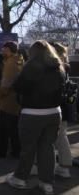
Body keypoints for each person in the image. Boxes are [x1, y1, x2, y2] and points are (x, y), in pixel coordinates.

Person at [6, 40, 65, 195]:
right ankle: (47, 183)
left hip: (32, 113)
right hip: (54, 113)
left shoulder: (31, 67)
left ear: (33, 52)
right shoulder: (59, 67)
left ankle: (20, 178)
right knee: (48, 148)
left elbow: (17, 86)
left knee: (28, 148)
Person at [0, 41, 24, 158]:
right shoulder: (19, 61)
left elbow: (6, 84)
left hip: (8, 102)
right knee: (9, 127)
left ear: (9, 50)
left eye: (3, 49)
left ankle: (6, 151)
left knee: (6, 129)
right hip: (16, 102)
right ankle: (9, 150)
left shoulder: (10, 64)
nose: (1, 51)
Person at [50, 42, 73, 178]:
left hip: (56, 107)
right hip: (64, 107)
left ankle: (59, 167)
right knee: (61, 136)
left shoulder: (56, 68)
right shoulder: (65, 67)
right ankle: (64, 167)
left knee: (55, 138)